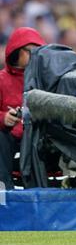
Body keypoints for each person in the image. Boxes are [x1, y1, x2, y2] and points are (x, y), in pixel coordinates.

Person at [0, 27, 46, 190]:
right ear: (16, 52)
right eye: (30, 52)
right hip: (11, 138)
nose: (35, 57)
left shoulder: (45, 80)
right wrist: (3, 117)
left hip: (38, 136)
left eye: (38, 52)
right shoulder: (2, 79)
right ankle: (5, 189)